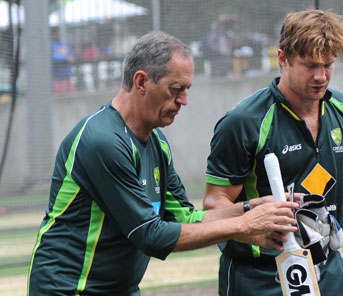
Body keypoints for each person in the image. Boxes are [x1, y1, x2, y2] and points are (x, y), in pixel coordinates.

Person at [27, 31, 299, 295]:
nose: (184, 100)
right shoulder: (102, 141)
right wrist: (245, 224)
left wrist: (254, 207)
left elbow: (185, 217)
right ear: (141, 81)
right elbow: (151, 235)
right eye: (175, 89)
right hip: (67, 289)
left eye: (186, 89)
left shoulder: (156, 141)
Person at [203, 9, 343, 296]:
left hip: (328, 269)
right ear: (282, 59)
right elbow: (214, 204)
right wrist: (255, 227)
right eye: (310, 65)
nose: (321, 76)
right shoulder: (243, 122)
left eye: (328, 65)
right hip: (258, 278)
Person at [50, 27, 76, 94]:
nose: (58, 34)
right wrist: (66, 58)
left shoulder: (64, 43)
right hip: (57, 75)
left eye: (59, 32)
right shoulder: (50, 44)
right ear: (52, 34)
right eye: (56, 33)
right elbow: (53, 57)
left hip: (67, 73)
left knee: (71, 93)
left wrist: (71, 57)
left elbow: (70, 54)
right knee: (60, 95)